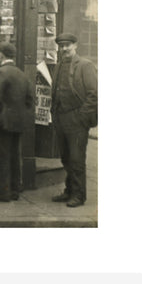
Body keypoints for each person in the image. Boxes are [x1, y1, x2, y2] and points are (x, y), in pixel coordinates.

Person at [50, 33, 98, 208]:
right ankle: (69, 190)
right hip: (60, 118)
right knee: (66, 157)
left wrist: (81, 117)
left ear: (75, 45)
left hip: (76, 119)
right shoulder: (58, 66)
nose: (64, 49)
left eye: (67, 45)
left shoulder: (85, 65)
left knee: (77, 159)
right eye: (61, 46)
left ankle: (79, 195)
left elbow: (94, 94)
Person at [0, 43, 35, 202]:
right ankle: (15, 190)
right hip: (19, 121)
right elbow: (30, 99)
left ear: (1, 55)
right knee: (16, 156)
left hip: (3, 121)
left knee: (2, 156)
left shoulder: (0, 73)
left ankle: (3, 192)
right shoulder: (22, 74)